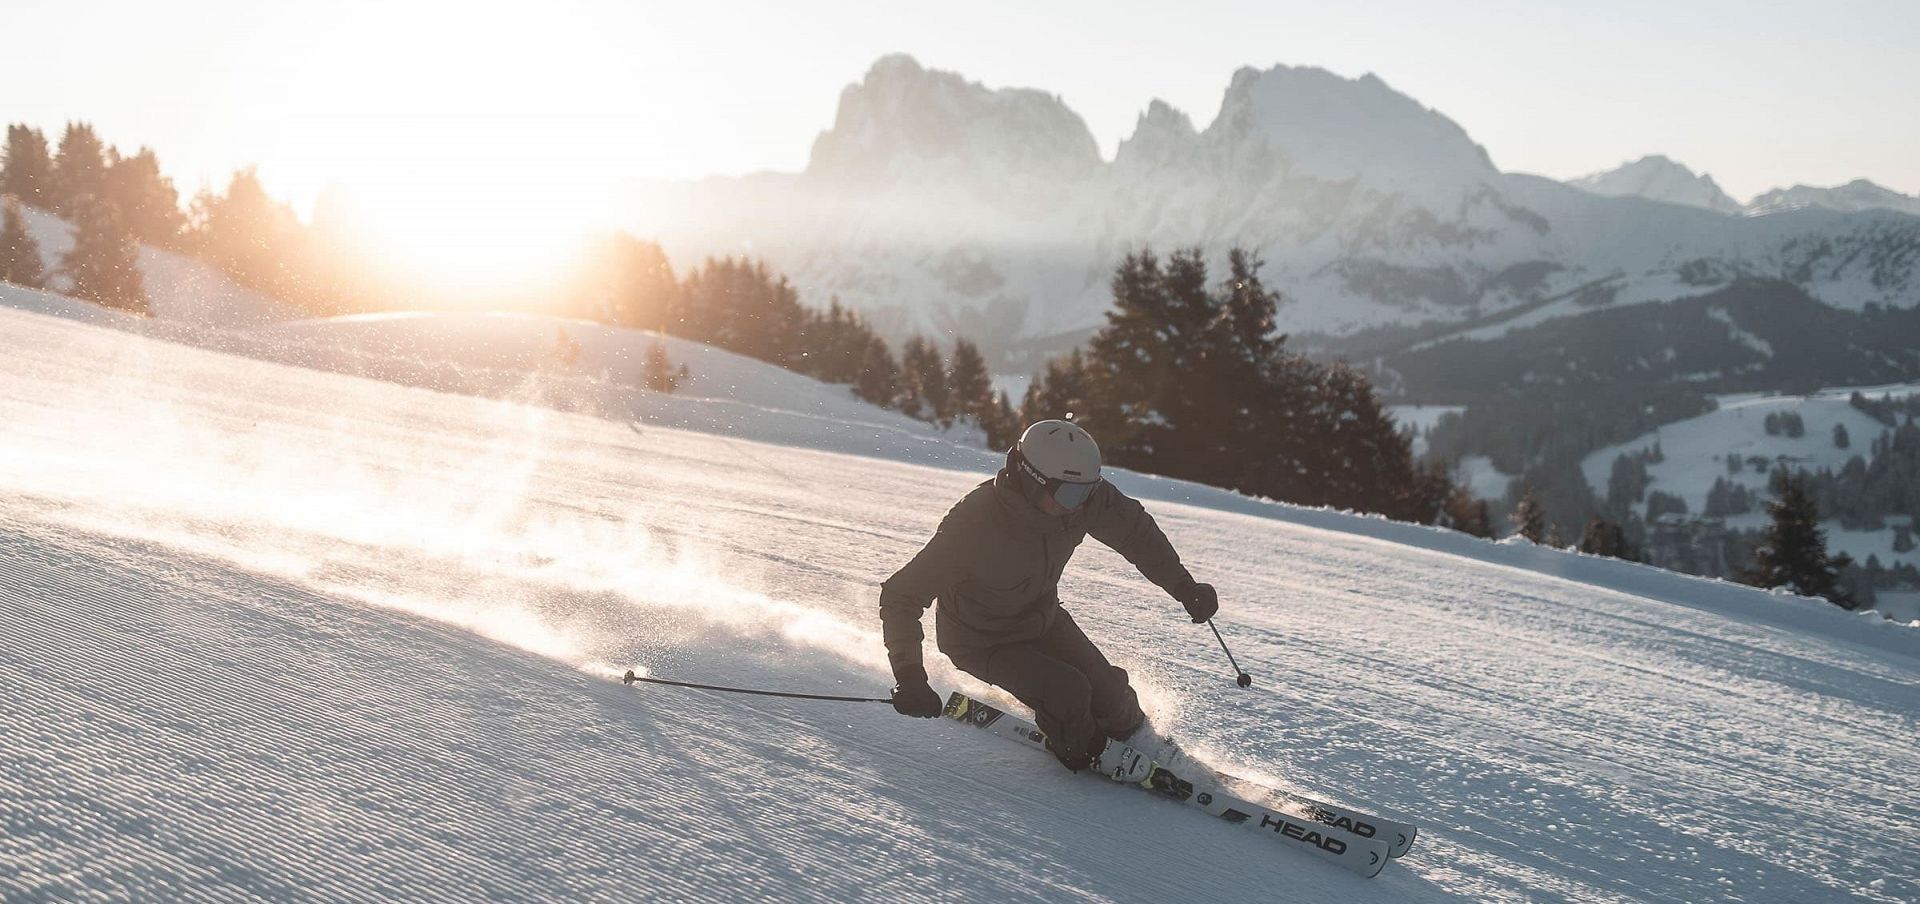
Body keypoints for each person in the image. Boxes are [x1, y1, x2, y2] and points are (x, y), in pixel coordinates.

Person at [880, 419, 1218, 772]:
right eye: (1070, 495)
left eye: (1087, 491)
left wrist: (1183, 586)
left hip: (1042, 618)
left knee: (1111, 694)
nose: (1079, 504)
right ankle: (1084, 753)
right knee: (1067, 692)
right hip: (981, 639)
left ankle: (1139, 740)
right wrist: (910, 676)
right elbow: (901, 596)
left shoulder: (1079, 499)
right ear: (1030, 478)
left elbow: (1136, 533)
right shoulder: (975, 523)